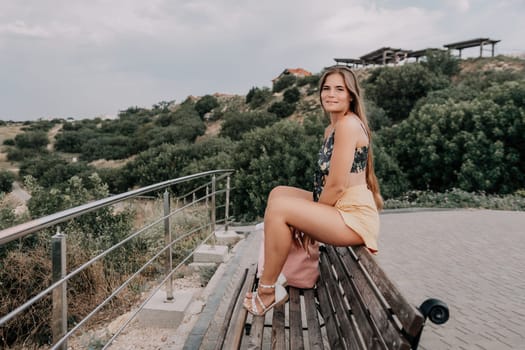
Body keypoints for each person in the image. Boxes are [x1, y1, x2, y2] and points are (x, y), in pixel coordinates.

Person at [243, 65, 383, 316]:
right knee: (278, 193)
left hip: (352, 216)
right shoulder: (332, 128)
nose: (331, 94)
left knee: (279, 210)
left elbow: (337, 185)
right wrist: (308, 218)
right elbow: (329, 184)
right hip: (340, 205)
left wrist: (309, 222)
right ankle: (282, 272)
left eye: (339, 89)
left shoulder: (348, 126)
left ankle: (267, 290)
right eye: (326, 88)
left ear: (350, 95)